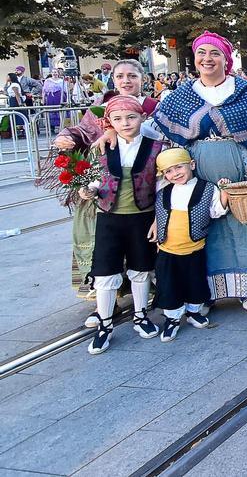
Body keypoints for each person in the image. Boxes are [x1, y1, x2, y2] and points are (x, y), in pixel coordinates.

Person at [150, 32, 247, 312]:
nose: (207, 59)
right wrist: (109, 129)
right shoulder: (183, 93)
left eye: (215, 53)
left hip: (243, 164)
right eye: (202, 53)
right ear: (195, 58)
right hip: (200, 169)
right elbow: (153, 126)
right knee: (205, 225)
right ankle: (205, 292)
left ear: (226, 58)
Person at [80, 95, 163, 353]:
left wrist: (159, 218)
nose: (125, 123)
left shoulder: (156, 146)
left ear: (142, 117)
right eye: (118, 119)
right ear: (109, 122)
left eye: (131, 117)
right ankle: (105, 324)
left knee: (141, 267)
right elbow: (96, 177)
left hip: (142, 216)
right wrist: (88, 190)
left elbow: (162, 186)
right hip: (109, 217)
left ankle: (140, 315)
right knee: (105, 270)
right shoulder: (103, 146)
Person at [152, 148, 227, 341]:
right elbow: (160, 214)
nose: (175, 173)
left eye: (179, 167)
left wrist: (225, 192)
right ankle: (172, 319)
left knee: (195, 281)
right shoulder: (163, 192)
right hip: (167, 249)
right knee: (169, 285)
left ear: (191, 165)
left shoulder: (207, 189)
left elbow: (216, 211)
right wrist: (156, 228)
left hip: (194, 248)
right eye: (169, 171)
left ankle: (194, 311)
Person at [41, 68, 66, 133]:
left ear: (58, 73)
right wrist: (43, 99)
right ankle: (51, 127)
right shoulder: (48, 80)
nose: (54, 74)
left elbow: (65, 90)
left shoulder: (61, 81)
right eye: (53, 72)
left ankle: (61, 125)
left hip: (60, 97)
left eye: (56, 72)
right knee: (51, 111)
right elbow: (44, 91)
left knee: (60, 110)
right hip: (51, 97)